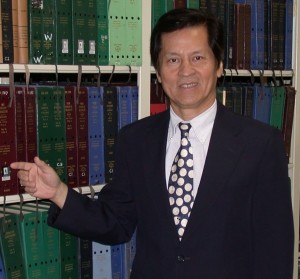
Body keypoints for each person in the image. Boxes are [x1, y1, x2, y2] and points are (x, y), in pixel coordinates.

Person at [11, 8, 294, 279]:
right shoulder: (135, 140)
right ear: (158, 72)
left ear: (219, 65)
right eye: (173, 60)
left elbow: (274, 252)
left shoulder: (260, 144)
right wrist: (58, 192)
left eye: (198, 58)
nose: (186, 71)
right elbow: (116, 222)